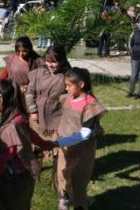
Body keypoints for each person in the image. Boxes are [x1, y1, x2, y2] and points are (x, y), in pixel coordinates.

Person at [0, 80, 56, 210]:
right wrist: (45, 144)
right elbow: (30, 134)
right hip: (23, 175)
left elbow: (2, 160)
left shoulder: (9, 128)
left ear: (0, 99)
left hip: (10, 182)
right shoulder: (18, 117)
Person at [56, 68, 107, 210]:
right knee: (63, 175)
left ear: (81, 85)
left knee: (78, 180)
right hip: (65, 148)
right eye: (65, 85)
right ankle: (65, 199)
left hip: (82, 150)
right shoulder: (68, 98)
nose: (66, 88)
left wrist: (60, 142)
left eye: (69, 85)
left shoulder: (90, 104)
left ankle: (80, 205)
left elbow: (85, 134)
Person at [25, 45, 71, 140]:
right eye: (47, 61)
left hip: (56, 116)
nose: (50, 65)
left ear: (62, 60)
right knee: (38, 141)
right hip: (37, 116)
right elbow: (30, 92)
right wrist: (33, 110)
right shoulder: (39, 73)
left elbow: (70, 97)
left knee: (54, 142)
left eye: (54, 62)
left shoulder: (67, 76)